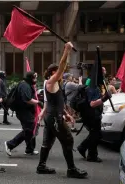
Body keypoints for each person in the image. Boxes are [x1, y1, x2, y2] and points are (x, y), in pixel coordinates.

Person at [36, 42, 88, 179]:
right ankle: (71, 169)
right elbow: (62, 66)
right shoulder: (51, 82)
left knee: (47, 142)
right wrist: (67, 50)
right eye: (60, 71)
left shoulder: (56, 84)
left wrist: (66, 114)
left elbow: (57, 103)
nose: (63, 72)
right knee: (68, 140)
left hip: (52, 117)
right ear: (54, 72)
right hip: (54, 118)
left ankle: (41, 166)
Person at [4, 72, 43, 156]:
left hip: (26, 110)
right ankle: (10, 144)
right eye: (35, 78)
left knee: (31, 128)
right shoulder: (25, 86)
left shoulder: (27, 84)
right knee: (30, 129)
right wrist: (38, 102)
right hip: (23, 111)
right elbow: (27, 99)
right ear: (31, 78)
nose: (36, 80)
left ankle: (30, 149)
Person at [77, 83, 111, 163]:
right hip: (93, 116)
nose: (104, 72)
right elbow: (92, 104)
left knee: (96, 134)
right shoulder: (94, 87)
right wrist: (104, 98)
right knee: (96, 135)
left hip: (93, 115)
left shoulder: (95, 86)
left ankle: (84, 149)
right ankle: (91, 155)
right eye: (102, 70)